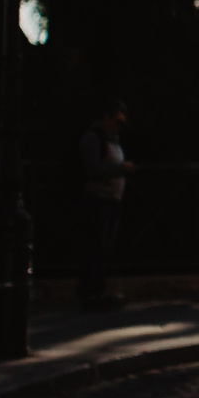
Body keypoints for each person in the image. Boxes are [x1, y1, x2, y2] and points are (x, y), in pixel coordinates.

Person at [78, 97, 134, 308]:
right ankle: (89, 292)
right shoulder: (93, 139)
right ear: (106, 118)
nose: (120, 126)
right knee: (94, 246)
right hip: (97, 200)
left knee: (104, 248)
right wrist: (121, 169)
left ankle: (97, 291)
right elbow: (93, 170)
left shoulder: (113, 140)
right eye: (118, 121)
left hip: (111, 200)